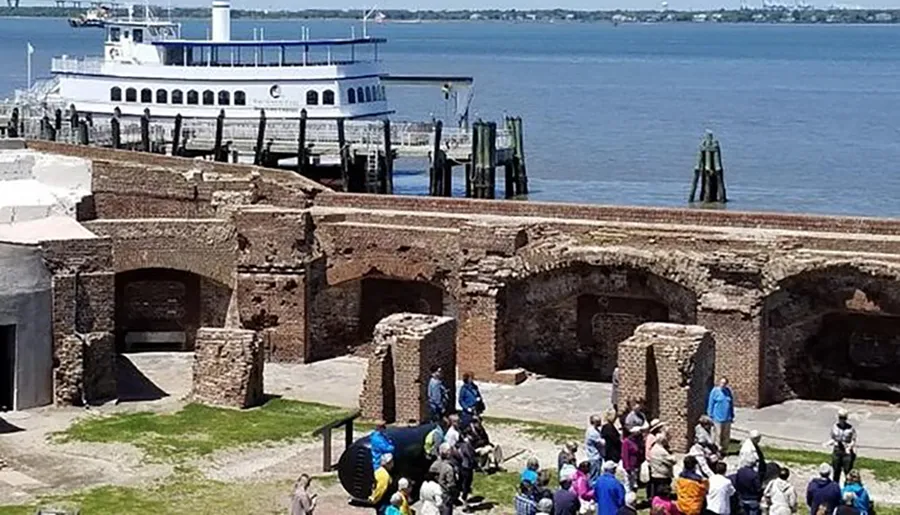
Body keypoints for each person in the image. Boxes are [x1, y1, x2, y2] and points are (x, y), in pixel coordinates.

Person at [829, 409, 857, 484]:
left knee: (847, 472)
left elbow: (853, 440)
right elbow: (832, 438)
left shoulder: (850, 428)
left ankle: (847, 488)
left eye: (844, 418)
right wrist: (830, 443)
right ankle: (835, 488)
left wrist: (850, 446)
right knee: (836, 471)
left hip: (846, 452)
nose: (842, 420)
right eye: (841, 418)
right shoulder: (834, 427)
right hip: (837, 450)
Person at [706, 377, 735, 452]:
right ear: (719, 383)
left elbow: (731, 403)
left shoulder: (728, 391)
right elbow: (711, 403)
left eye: (724, 383)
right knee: (718, 435)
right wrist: (710, 414)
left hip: (727, 417)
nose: (723, 385)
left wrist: (732, 414)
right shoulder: (715, 391)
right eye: (722, 383)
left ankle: (724, 450)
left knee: (726, 435)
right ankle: (717, 450)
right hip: (717, 418)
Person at [430, 443, 457, 515]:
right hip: (446, 493)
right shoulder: (449, 468)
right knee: (447, 510)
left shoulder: (435, 464)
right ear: (448, 453)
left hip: (436, 491)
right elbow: (451, 484)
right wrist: (454, 494)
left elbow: (430, 474)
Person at [648, 434, 676, 501]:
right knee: (663, 492)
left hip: (655, 473)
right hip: (662, 475)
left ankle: (655, 502)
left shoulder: (654, 448)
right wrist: (673, 455)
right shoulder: (661, 451)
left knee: (656, 491)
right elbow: (673, 460)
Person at [621, 426, 644, 492]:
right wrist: (627, 466)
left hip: (635, 464)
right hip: (629, 465)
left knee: (633, 482)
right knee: (628, 482)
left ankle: (632, 495)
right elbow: (625, 455)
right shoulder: (626, 442)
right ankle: (628, 496)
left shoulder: (637, 441)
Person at [585, 415, 606, 482]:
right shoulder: (592, 432)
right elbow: (602, 443)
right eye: (598, 421)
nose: (600, 423)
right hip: (594, 457)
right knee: (594, 475)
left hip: (596, 455)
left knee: (596, 473)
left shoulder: (595, 430)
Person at [458, 433, 477, 504]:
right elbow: (470, 456)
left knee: (463, 482)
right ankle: (464, 498)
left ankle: (462, 496)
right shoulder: (466, 446)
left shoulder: (462, 445)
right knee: (466, 483)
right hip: (466, 467)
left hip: (463, 466)